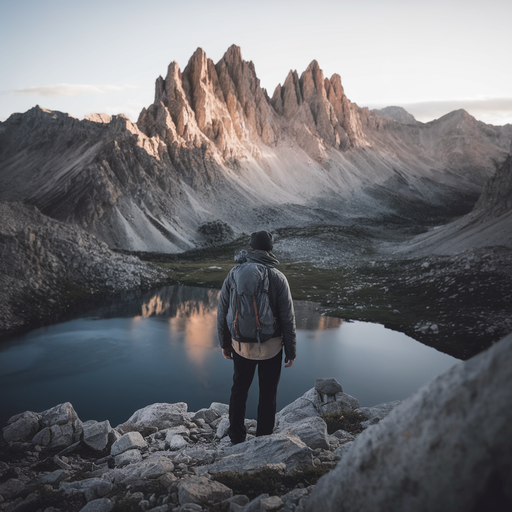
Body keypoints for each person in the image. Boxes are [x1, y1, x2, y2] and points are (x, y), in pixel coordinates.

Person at [217, 230, 296, 444]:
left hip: (241, 345)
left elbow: (222, 310)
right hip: (271, 347)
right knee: (268, 393)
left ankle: (236, 436)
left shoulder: (234, 273)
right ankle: (263, 440)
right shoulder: (278, 277)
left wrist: (225, 344)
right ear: (270, 249)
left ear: (251, 248)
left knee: (239, 390)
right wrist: (291, 350)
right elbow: (287, 317)